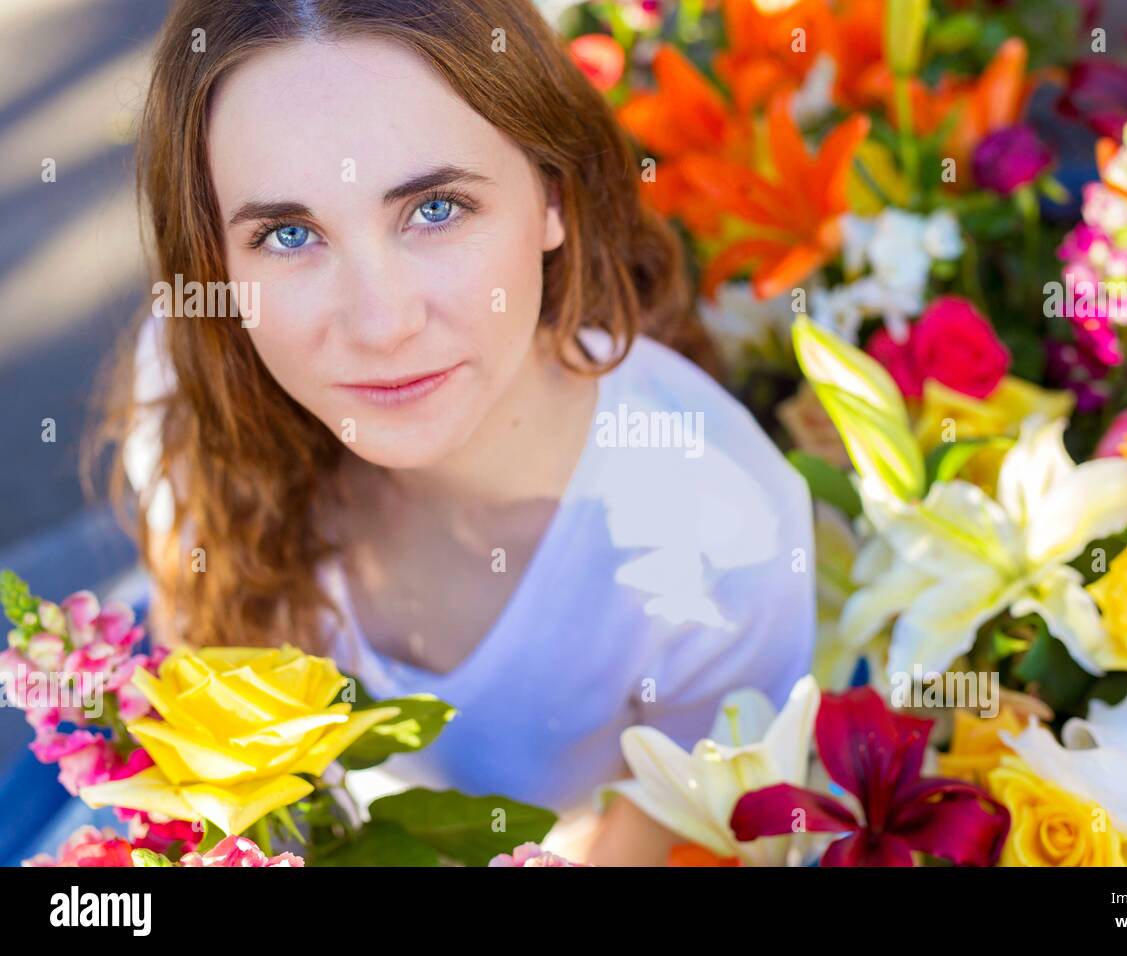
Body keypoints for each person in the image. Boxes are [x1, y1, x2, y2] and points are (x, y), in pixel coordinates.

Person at [98, 0, 815, 865]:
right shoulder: (188, 381)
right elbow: (201, 717)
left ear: (552, 194)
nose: (381, 323)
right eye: (288, 234)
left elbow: (675, 839)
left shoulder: (723, 538)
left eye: (435, 209)